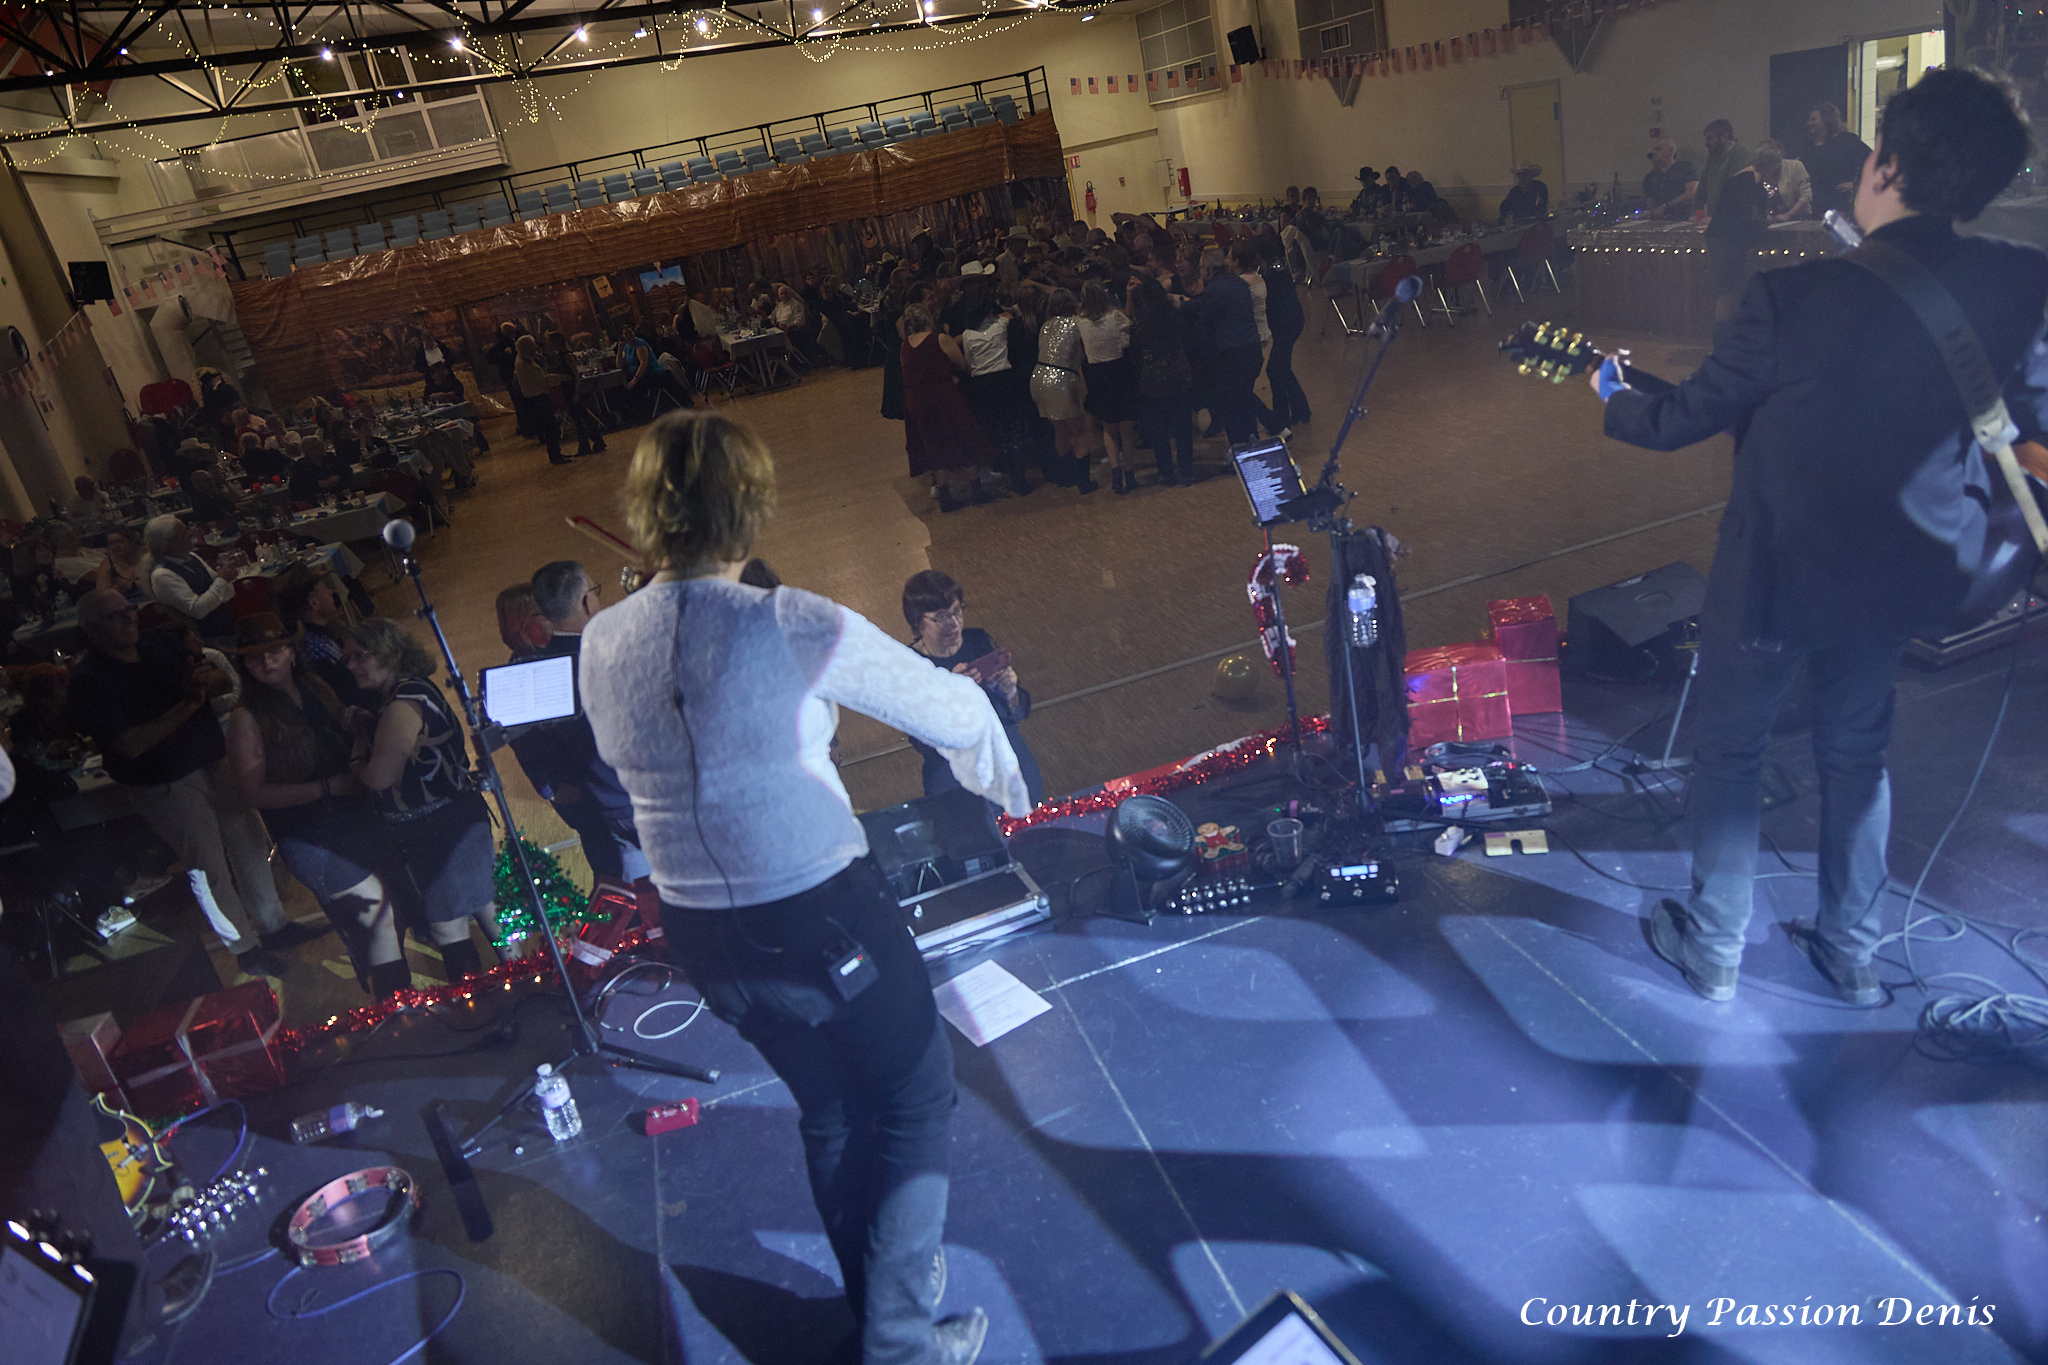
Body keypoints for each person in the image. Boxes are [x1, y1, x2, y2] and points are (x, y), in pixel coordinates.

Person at [1590, 69, 2044, 1008]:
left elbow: (1681, 418)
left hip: (1774, 578)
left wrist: (1611, 395)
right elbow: (2031, 416)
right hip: (1902, 574)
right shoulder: (2016, 280)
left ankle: (1714, 948)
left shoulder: (1789, 296)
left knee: (1731, 750)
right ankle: (1853, 954)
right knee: (1856, 752)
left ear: (1884, 165)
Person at [579, 410, 1025, 1365]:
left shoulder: (601, 639)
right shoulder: (788, 620)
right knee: (915, 1096)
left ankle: (878, 1317)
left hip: (701, 930)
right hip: (818, 913)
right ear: (749, 503)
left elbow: (626, 760)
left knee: (831, 1110)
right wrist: (997, 764)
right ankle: (900, 1345)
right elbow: (948, 706)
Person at [66, 590, 292, 977]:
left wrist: (204, 681)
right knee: (209, 869)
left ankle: (275, 928)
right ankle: (244, 949)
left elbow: (220, 683)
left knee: (252, 843)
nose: (129, 619)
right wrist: (187, 703)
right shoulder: (89, 681)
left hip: (212, 759)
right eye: (115, 616)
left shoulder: (160, 643)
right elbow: (130, 745)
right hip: (165, 783)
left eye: (129, 609)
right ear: (91, 628)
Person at [225, 613, 407, 997]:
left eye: (275, 651)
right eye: (256, 657)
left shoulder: (312, 685)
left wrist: (353, 720)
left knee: (387, 915)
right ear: (244, 665)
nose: (267, 661)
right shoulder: (245, 717)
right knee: (378, 917)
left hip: (353, 815)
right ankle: (399, 1013)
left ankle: (399, 1002)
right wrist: (328, 788)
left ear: (291, 651)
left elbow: (339, 722)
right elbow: (252, 794)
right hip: (308, 835)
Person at [345, 616, 502, 982]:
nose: (351, 665)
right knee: (487, 907)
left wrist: (355, 759)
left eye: (359, 655)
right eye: (348, 658)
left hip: (441, 829)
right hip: (450, 821)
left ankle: (479, 1002)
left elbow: (380, 777)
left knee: (449, 927)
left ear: (387, 652)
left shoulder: (404, 701)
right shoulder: (408, 693)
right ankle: (528, 982)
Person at [511, 560, 649, 885]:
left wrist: (553, 788)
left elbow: (527, 743)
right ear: (587, 601)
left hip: (593, 810)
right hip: (643, 802)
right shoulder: (617, 654)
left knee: (621, 893)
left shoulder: (534, 670)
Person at [900, 570, 1044, 810]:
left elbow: (1018, 712)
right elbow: (923, 743)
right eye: (941, 617)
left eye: (957, 611)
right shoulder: (910, 667)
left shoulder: (978, 640)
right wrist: (949, 696)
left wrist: (1010, 691)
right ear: (918, 621)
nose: (954, 623)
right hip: (956, 783)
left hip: (1010, 766)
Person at [900, 301, 998, 512]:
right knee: (962, 438)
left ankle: (945, 495)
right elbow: (962, 364)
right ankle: (976, 489)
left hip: (917, 400)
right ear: (928, 318)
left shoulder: (905, 345)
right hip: (942, 396)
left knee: (934, 444)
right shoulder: (940, 339)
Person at [1188, 249, 1262, 444]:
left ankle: (1239, 450)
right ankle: (1253, 445)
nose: (1200, 271)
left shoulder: (1213, 289)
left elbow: (1204, 324)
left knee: (1231, 408)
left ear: (1208, 268)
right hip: (1252, 348)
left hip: (1231, 354)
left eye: (1201, 267)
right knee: (1246, 402)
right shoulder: (1238, 282)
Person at [1029, 288, 1098, 493]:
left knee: (1060, 429)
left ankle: (1065, 476)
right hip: (1062, 378)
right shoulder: (1076, 323)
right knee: (1080, 431)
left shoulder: (1045, 326)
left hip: (1038, 377)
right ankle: (1084, 482)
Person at [1077, 280, 1140, 494]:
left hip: (1097, 375)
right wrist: (1129, 295)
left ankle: (1115, 472)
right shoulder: (1114, 317)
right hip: (1119, 371)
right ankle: (1130, 474)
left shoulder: (1080, 322)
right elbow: (1129, 318)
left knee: (1108, 428)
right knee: (1126, 429)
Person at [144, 515, 238, 642]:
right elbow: (197, 610)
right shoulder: (162, 575)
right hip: (205, 640)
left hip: (227, 625)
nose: (190, 533)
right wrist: (222, 580)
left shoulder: (193, 557)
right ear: (170, 542)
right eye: (184, 532)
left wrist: (225, 578)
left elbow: (228, 593)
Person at [1704, 152, 1772, 319]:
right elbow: (1756, 214)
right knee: (1732, 292)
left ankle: (1724, 330)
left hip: (1717, 238)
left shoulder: (1734, 179)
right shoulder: (1754, 183)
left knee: (1725, 291)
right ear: (1768, 166)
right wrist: (1768, 219)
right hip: (1732, 242)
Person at [1256, 233, 1311, 433]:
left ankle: (1282, 419)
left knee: (1275, 370)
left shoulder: (1271, 275)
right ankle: (1300, 409)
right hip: (1289, 322)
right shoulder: (1276, 269)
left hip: (1286, 324)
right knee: (1280, 368)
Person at [543, 331, 608, 458]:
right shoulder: (560, 356)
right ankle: (587, 444)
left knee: (582, 418)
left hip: (572, 390)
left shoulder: (566, 356)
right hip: (567, 390)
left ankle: (594, 442)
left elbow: (575, 374)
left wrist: (576, 392)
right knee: (578, 419)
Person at [1806, 102, 1873, 219]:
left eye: (1814, 119)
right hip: (1815, 205)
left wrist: (1856, 184)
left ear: (1827, 120)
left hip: (1840, 204)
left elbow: (1872, 161)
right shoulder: (1809, 146)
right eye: (1809, 120)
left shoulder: (1847, 141)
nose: (1809, 123)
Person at [513, 334, 572, 466]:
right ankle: (555, 456)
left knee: (550, 427)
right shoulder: (524, 364)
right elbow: (542, 380)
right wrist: (561, 377)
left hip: (538, 398)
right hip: (537, 400)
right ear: (526, 347)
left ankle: (556, 453)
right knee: (550, 428)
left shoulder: (527, 359)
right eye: (533, 345)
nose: (535, 347)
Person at [1694, 119, 1752, 223]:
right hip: (1715, 217)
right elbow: (1702, 188)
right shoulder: (1713, 156)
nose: (1706, 143)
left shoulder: (1740, 155)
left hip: (1732, 219)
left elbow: (1734, 190)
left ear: (1724, 136)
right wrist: (1696, 214)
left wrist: (1720, 217)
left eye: (1710, 138)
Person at [1755, 138, 1811, 221]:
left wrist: (1789, 214)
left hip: (1800, 219)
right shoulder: (1759, 173)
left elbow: (1806, 195)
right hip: (1774, 223)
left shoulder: (1795, 166)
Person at [1643, 137, 1699, 219]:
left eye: (1658, 149)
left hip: (1683, 217)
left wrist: (1665, 207)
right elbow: (1650, 201)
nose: (1654, 152)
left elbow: (1691, 193)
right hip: (1660, 220)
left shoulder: (1685, 168)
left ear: (1670, 150)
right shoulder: (1650, 177)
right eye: (1653, 150)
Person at [92, 525, 150, 600]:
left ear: (130, 541)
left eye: (120, 542)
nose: (116, 546)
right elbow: (103, 596)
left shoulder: (146, 554)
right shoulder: (107, 565)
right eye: (111, 543)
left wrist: (132, 585)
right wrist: (115, 591)